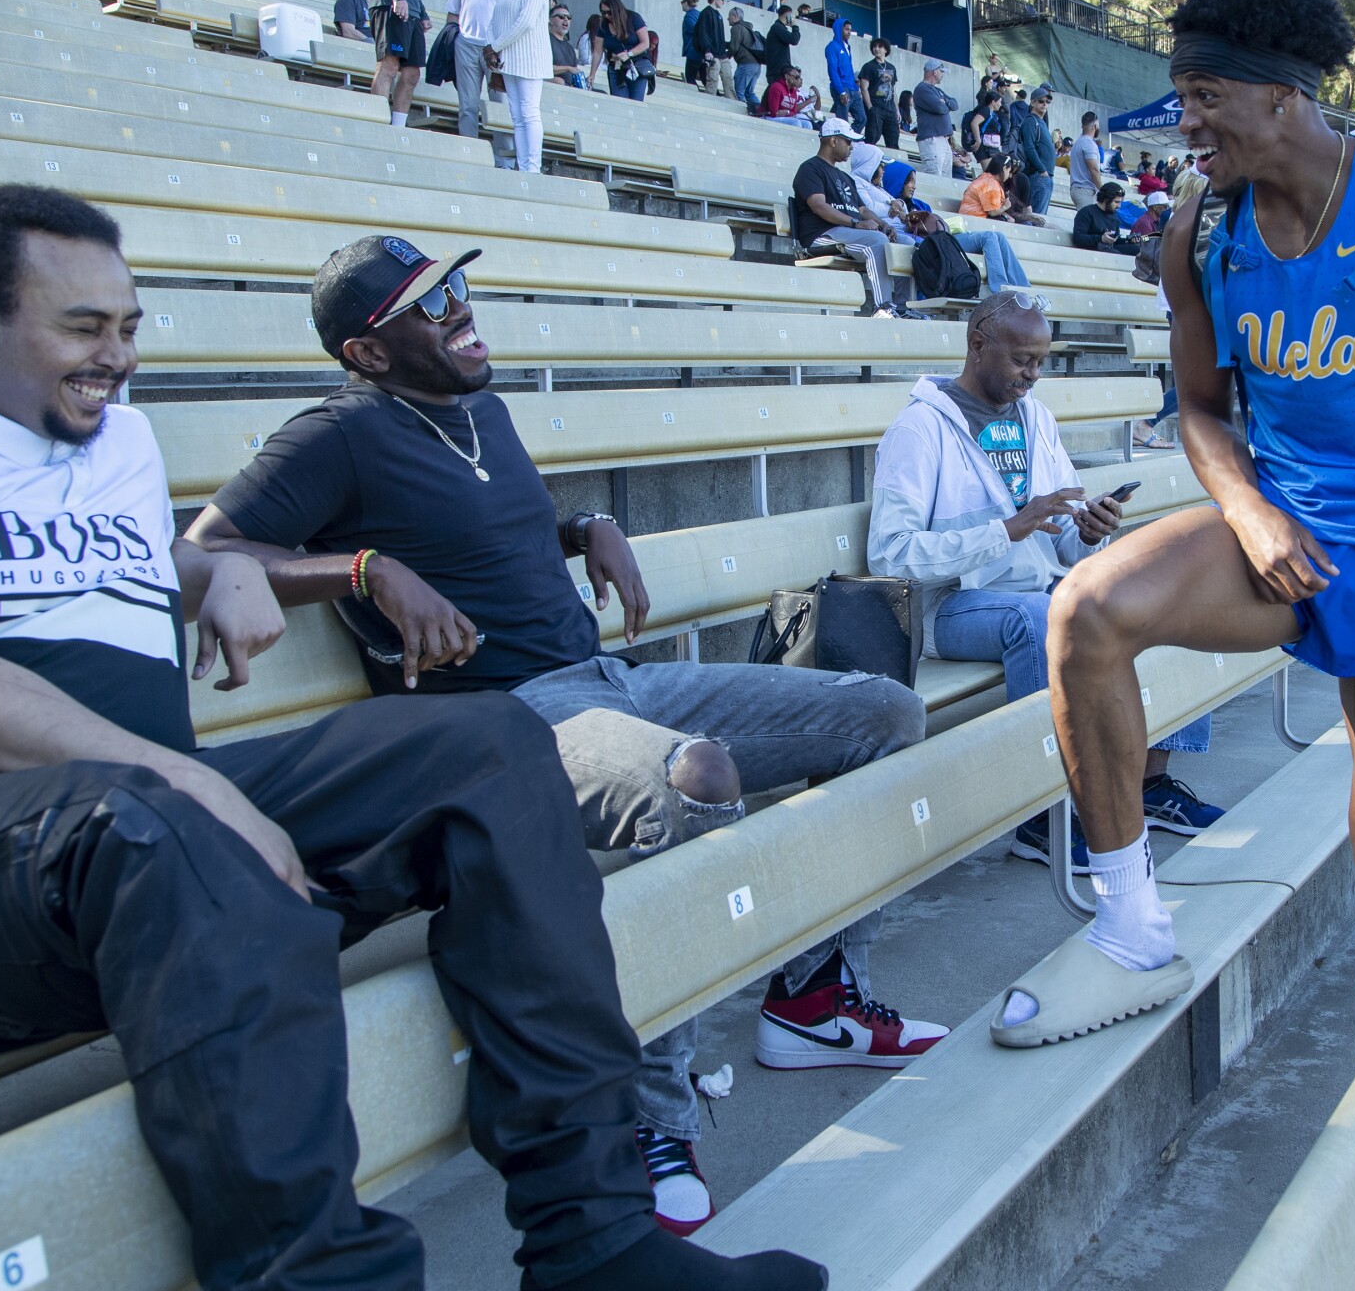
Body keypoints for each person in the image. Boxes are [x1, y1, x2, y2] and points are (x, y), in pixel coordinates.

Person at [0, 185, 826, 1291]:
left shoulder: (111, 441)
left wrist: (215, 568)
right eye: (81, 327)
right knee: (162, 827)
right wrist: (191, 787)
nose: (115, 357)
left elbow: (113, 570)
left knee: (487, 741)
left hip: (139, 850)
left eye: (128, 326)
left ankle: (596, 1238)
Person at [186, 234, 944, 1237]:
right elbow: (203, 553)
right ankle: (649, 1115)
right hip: (494, 719)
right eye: (429, 302)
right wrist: (363, 570)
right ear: (365, 353)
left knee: (886, 713)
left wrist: (585, 524)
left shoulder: (481, 412)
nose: (459, 306)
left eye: (456, 286)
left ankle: (810, 999)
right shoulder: (334, 434)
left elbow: (488, 532)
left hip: (609, 680)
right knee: (688, 778)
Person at [1012, 0, 1355, 1291]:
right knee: (1087, 612)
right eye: (1180, 100)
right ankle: (1131, 924)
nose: (1182, 126)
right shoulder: (1203, 222)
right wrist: (1240, 501)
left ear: (1283, 97)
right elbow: (1196, 405)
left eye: (1203, 100)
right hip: (1281, 531)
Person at [866, 293, 1222, 871]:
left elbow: (1055, 532)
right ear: (977, 344)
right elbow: (890, 555)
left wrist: (1087, 532)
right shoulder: (918, 430)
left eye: (1040, 362)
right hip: (953, 607)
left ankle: (1150, 784)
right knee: (1041, 619)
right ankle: (1041, 817)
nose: (1031, 376)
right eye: (1020, 360)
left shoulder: (1035, 418)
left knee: (1153, 596)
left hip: (1040, 584)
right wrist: (1005, 529)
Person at [793, 118, 908, 317]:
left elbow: (862, 210)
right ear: (833, 141)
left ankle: (904, 307)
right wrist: (856, 223)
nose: (851, 146)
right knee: (877, 242)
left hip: (849, 232)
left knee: (904, 241)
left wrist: (884, 225)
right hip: (822, 233)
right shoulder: (810, 169)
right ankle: (884, 307)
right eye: (847, 141)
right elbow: (819, 207)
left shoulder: (844, 176)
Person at [881, 160, 1034, 294]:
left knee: (998, 236)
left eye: (915, 182)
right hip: (933, 245)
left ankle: (1024, 288)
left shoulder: (921, 204)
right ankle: (1000, 289)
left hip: (945, 239)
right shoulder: (888, 208)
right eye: (910, 182)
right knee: (988, 236)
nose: (914, 186)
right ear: (898, 181)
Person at [484, 0, 550, 174]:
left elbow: (525, 22)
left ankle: (532, 168)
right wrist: (492, 45)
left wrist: (495, 46)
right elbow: (496, 18)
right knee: (517, 114)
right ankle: (524, 166)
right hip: (509, 59)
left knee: (529, 112)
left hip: (529, 59)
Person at [445, 0, 512, 146]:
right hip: (466, 44)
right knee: (467, 105)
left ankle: (505, 160)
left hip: (496, 48)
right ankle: (469, 151)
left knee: (499, 106)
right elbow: (453, 13)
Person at [368, 0, 427, 122]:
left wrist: (422, 12)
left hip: (412, 9)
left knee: (412, 73)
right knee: (389, 65)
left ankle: (398, 129)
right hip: (390, 4)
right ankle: (377, 124)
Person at [596, 0, 652, 101]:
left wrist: (628, 54)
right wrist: (592, 74)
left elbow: (645, 43)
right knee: (620, 102)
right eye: (603, 13)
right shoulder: (603, 25)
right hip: (617, 67)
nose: (607, 15)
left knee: (636, 101)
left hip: (637, 65)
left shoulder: (634, 17)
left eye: (609, 12)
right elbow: (597, 51)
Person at [912, 59, 957, 176]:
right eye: (941, 72)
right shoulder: (921, 89)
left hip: (942, 140)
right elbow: (940, 108)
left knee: (946, 179)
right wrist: (944, 105)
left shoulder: (937, 90)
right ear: (935, 72)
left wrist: (944, 102)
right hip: (932, 140)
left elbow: (955, 104)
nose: (942, 75)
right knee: (934, 176)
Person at [1018, 87, 1057, 216]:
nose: (1045, 104)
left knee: (1040, 216)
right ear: (1032, 102)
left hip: (1045, 175)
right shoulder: (1030, 121)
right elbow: (1029, 147)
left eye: (1047, 102)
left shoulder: (1041, 122)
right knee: (1036, 216)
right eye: (1041, 101)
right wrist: (1042, 170)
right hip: (1038, 174)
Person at [1070, 181, 1137, 255]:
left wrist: (1129, 240)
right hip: (1090, 251)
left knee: (1137, 249)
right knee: (1116, 254)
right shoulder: (1086, 212)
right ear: (1106, 199)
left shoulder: (1114, 217)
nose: (1119, 206)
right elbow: (1078, 238)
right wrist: (1101, 238)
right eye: (1116, 202)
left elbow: (1115, 240)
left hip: (1108, 249)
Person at [858, 38, 900, 149]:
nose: (876, 49)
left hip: (890, 109)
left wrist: (897, 110)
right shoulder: (868, 67)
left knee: (893, 141)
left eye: (880, 47)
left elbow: (893, 90)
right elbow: (864, 89)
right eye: (874, 47)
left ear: (886, 50)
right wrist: (870, 108)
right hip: (876, 107)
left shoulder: (891, 67)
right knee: (872, 138)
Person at [959, 153, 1017, 222]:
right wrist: (1005, 206)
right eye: (1009, 171)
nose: (1009, 176)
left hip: (968, 218)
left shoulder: (985, 177)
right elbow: (992, 212)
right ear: (1004, 169)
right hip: (973, 220)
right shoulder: (990, 183)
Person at [694, 0, 729, 98]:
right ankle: (710, 101)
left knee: (728, 79)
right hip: (712, 53)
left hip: (721, 53)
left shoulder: (718, 15)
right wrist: (707, 50)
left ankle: (732, 101)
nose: (723, 2)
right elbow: (703, 33)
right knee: (712, 80)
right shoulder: (706, 13)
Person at [1069, 110, 1107, 208]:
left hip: (1077, 188)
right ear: (1095, 126)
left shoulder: (1078, 142)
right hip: (1085, 190)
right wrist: (1102, 190)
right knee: (1087, 222)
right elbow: (1094, 169)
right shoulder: (1089, 144)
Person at [728, 6, 763, 108]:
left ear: (735, 16)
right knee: (749, 93)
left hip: (746, 64)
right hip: (756, 66)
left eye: (729, 16)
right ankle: (760, 111)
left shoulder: (736, 28)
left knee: (739, 92)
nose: (728, 18)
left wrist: (725, 56)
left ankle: (743, 114)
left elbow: (734, 46)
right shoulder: (748, 28)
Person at [825, 17, 858, 122]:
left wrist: (856, 88)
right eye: (847, 29)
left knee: (862, 118)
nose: (849, 33)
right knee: (842, 121)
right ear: (839, 29)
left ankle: (848, 136)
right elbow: (832, 70)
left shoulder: (847, 46)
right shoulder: (832, 47)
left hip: (852, 88)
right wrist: (841, 91)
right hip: (842, 87)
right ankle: (842, 137)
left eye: (850, 30)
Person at [550, 3, 586, 88]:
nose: (566, 19)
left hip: (569, 88)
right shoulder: (546, 41)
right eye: (561, 17)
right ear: (550, 20)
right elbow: (544, 69)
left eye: (569, 17)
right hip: (553, 87)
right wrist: (568, 68)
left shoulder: (570, 48)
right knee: (559, 82)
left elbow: (574, 72)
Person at [763, 3, 799, 84]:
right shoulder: (777, 27)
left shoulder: (778, 28)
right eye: (791, 16)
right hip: (777, 72)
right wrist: (795, 26)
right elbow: (794, 39)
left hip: (778, 71)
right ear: (787, 15)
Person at [679, 0, 702, 87]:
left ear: (685, 3)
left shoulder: (688, 16)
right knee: (705, 78)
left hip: (693, 51)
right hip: (701, 51)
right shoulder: (699, 14)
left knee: (690, 77)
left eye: (681, 2)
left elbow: (695, 30)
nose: (681, 5)